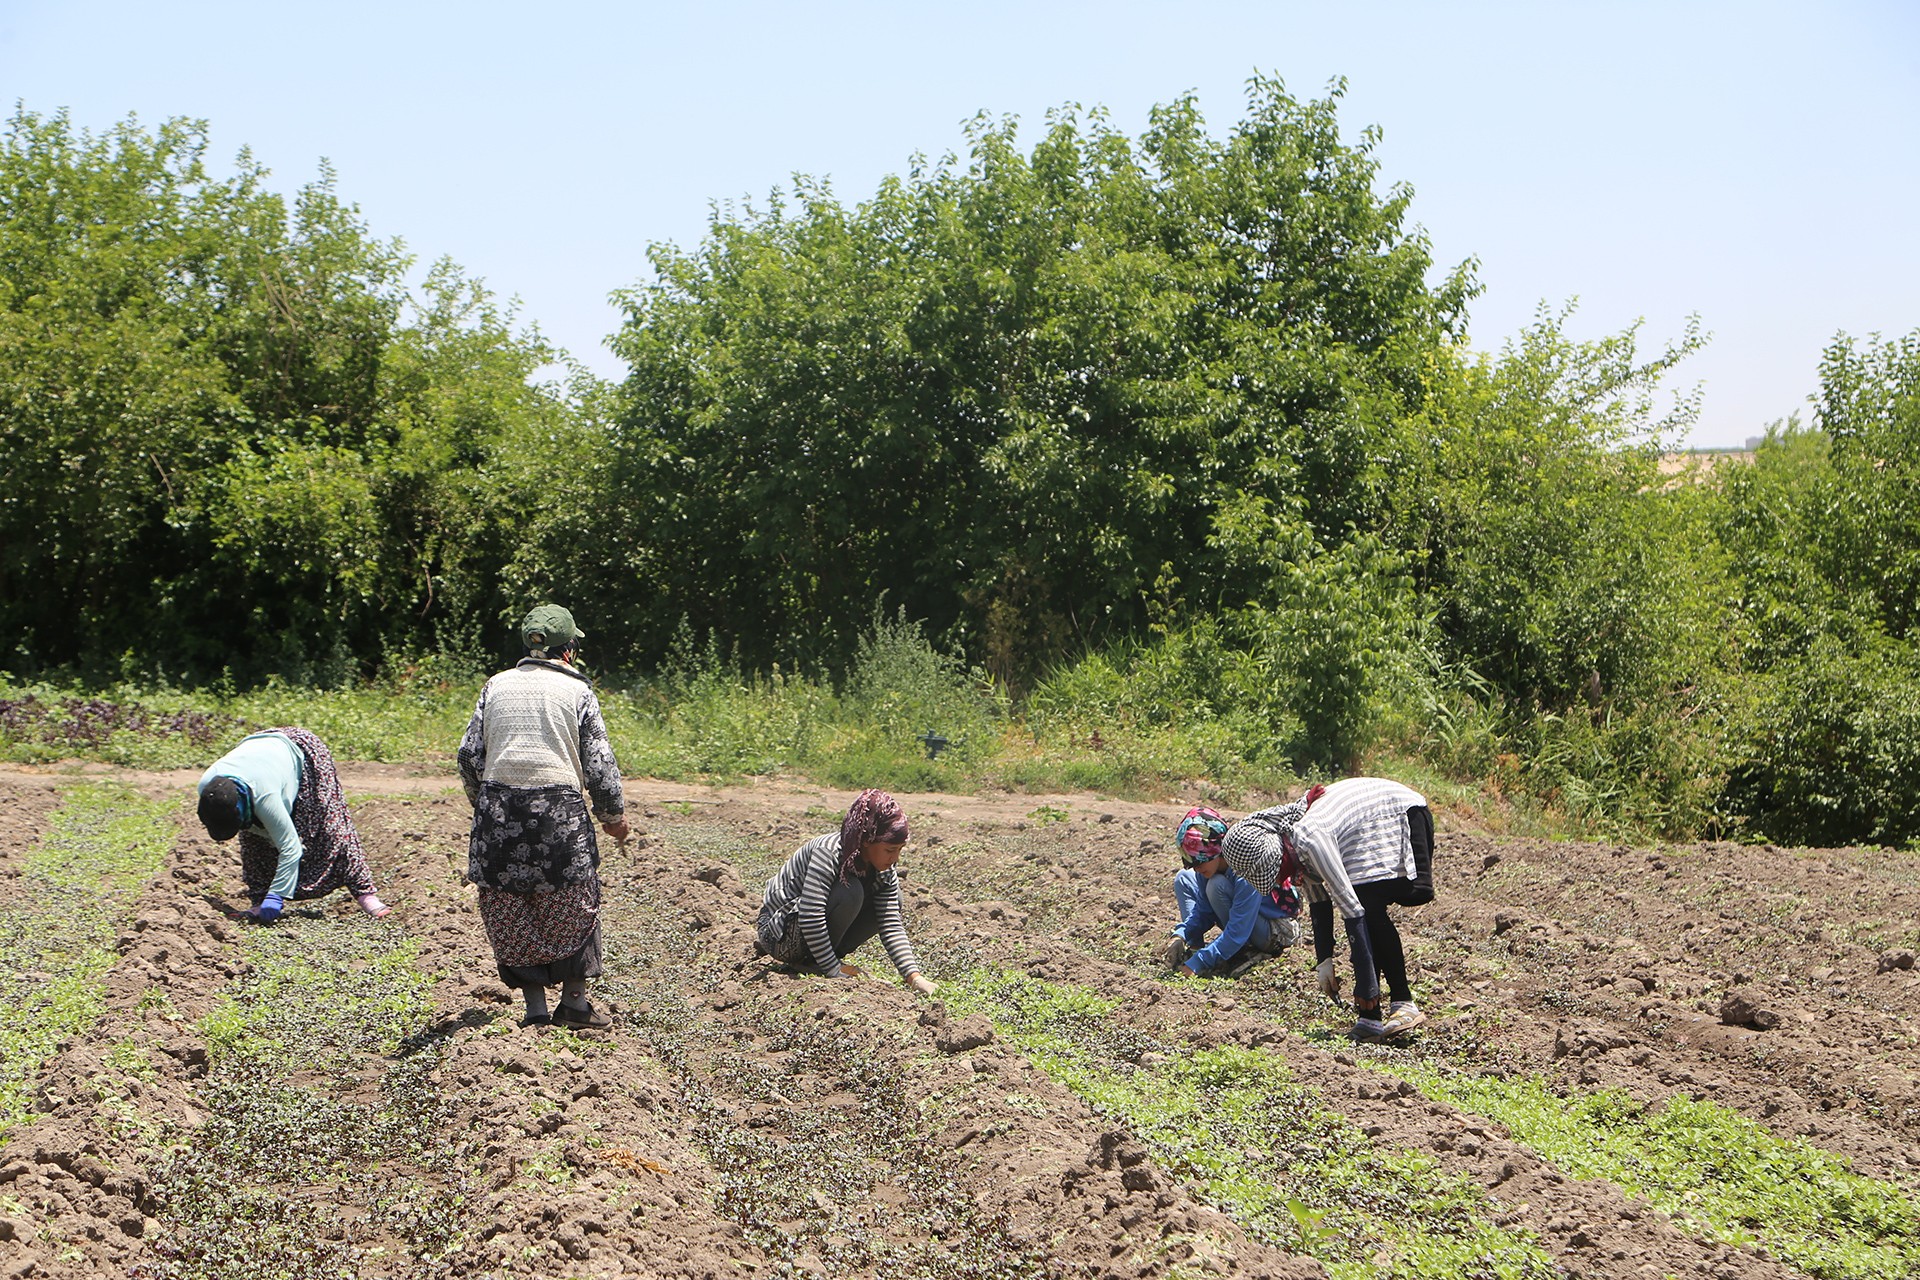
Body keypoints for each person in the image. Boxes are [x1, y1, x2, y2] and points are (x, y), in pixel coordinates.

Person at [458, 605, 628, 1031]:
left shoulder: (495, 686)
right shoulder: (578, 693)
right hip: (560, 815)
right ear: (568, 649)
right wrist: (612, 816)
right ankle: (574, 1004)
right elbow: (600, 766)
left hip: (499, 809)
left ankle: (534, 1009)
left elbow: (469, 756)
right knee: (572, 902)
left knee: (510, 905)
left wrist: (486, 806)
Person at [1221, 778, 1435, 1039]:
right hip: (1364, 827)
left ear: (1273, 859)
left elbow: (1352, 908)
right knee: (1367, 904)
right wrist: (1325, 962)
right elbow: (1319, 903)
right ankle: (1371, 1019)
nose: (1276, 882)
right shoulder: (1295, 851)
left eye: (1269, 875)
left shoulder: (1309, 839)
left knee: (1369, 904)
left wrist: (1365, 983)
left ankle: (1402, 1003)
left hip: (1398, 814)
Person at [197, 727, 389, 923]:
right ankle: (259, 901)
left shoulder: (265, 797)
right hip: (261, 755)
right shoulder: (208, 788)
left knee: (330, 828)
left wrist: (277, 895)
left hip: (302, 754)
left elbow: (291, 848)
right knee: (253, 841)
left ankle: (365, 894)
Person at [757, 788, 937, 995]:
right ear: (867, 841)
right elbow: (810, 913)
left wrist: (914, 977)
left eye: (899, 850)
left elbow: (890, 922)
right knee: (850, 891)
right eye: (890, 850)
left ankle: (821, 960)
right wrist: (833, 969)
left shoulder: (884, 869)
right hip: (777, 934)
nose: (895, 858)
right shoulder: (829, 852)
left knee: (894, 898)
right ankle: (824, 963)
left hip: (805, 934)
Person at [1161, 806, 1303, 978]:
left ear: (1215, 851)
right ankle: (1195, 947)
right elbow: (1203, 911)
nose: (1196, 868)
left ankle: (1235, 951)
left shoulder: (1245, 866)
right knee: (1184, 878)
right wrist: (1180, 935)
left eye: (1199, 863)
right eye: (1192, 864)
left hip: (1276, 932)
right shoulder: (1208, 868)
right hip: (1248, 923)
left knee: (1216, 886)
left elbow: (1238, 930)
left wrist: (1200, 963)